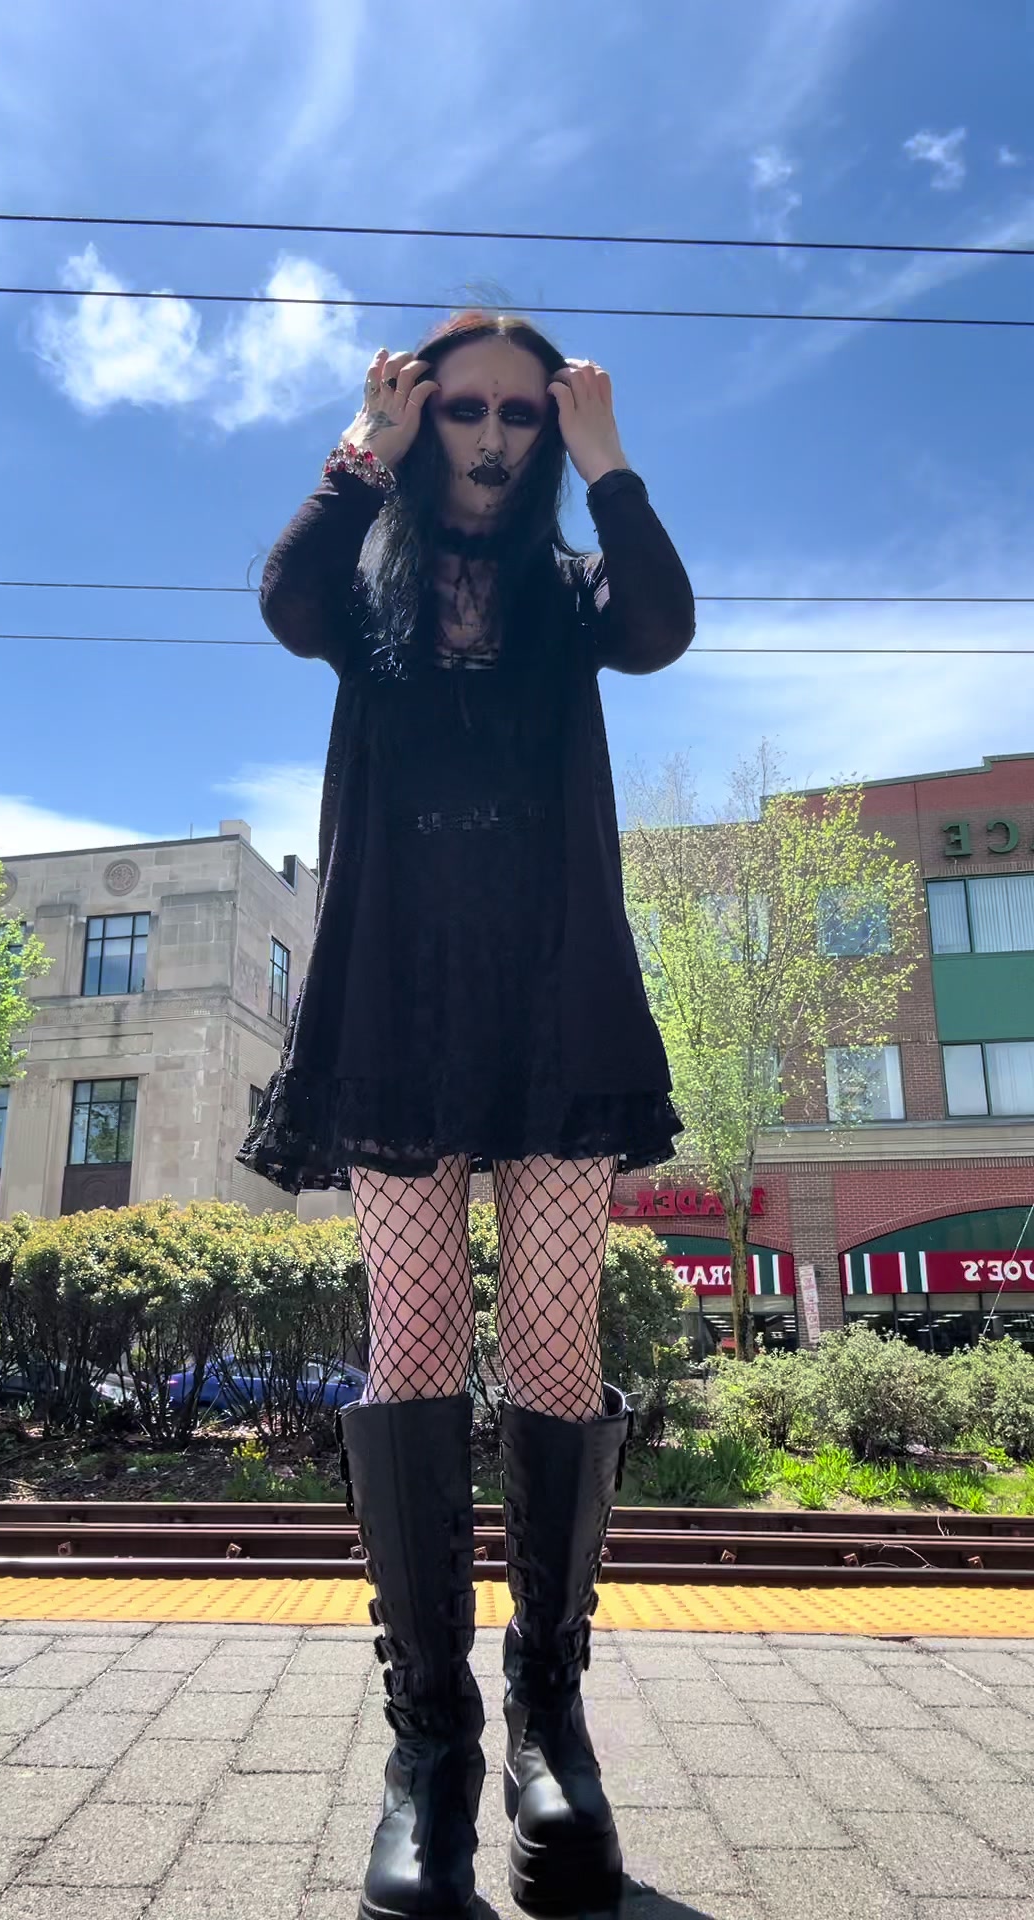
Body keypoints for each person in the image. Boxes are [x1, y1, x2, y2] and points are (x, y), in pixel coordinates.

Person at [237, 309, 694, 1920]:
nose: (494, 439)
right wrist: (357, 453)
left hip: (556, 999)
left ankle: (549, 1728)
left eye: (520, 415)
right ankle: (429, 1747)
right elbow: (284, 597)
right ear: (424, 425)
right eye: (466, 412)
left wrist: (611, 461)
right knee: (415, 1346)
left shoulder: (571, 596)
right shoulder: (366, 595)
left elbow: (663, 629)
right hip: (397, 1004)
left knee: (557, 1353)